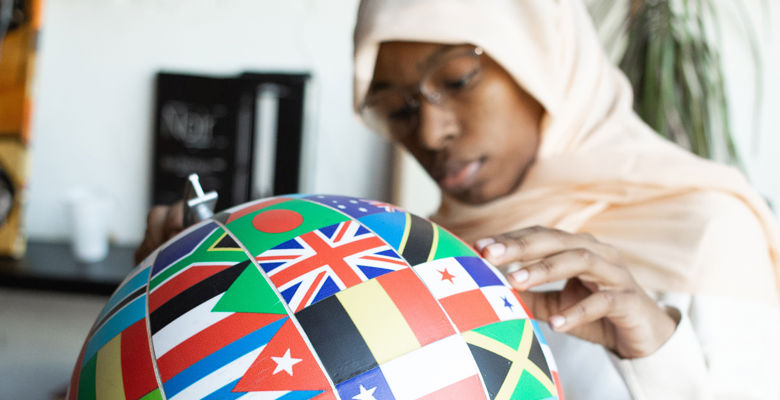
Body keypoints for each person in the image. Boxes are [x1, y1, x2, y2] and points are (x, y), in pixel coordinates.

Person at [137, 0, 780, 398]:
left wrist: (656, 350)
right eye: (396, 106)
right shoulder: (406, 245)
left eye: (456, 80)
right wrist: (166, 313)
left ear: (543, 57)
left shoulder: (708, 227)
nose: (431, 132)